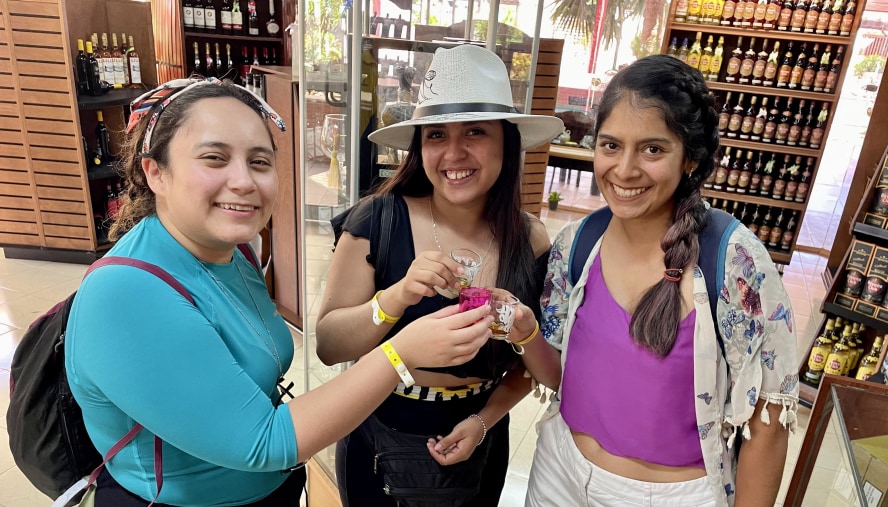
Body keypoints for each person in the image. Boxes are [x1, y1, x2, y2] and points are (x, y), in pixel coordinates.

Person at [64, 77, 494, 507]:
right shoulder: (127, 294)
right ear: (155, 171)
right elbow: (263, 441)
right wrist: (400, 352)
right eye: (214, 158)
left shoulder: (232, 254)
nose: (244, 181)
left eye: (259, 162)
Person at [526, 54, 799, 506]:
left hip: (670, 496)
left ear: (690, 158)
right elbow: (560, 374)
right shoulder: (577, 243)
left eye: (652, 149)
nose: (625, 170)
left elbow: (769, 417)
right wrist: (522, 331)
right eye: (611, 145)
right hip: (558, 472)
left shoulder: (732, 260)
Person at [316, 44, 564, 506]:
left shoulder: (530, 239)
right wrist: (394, 298)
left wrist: (484, 420)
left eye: (474, 132)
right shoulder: (379, 220)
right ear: (419, 146)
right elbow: (329, 346)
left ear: (506, 143)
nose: (453, 153)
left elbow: (529, 366)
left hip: (481, 436)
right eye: (435, 135)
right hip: (380, 431)